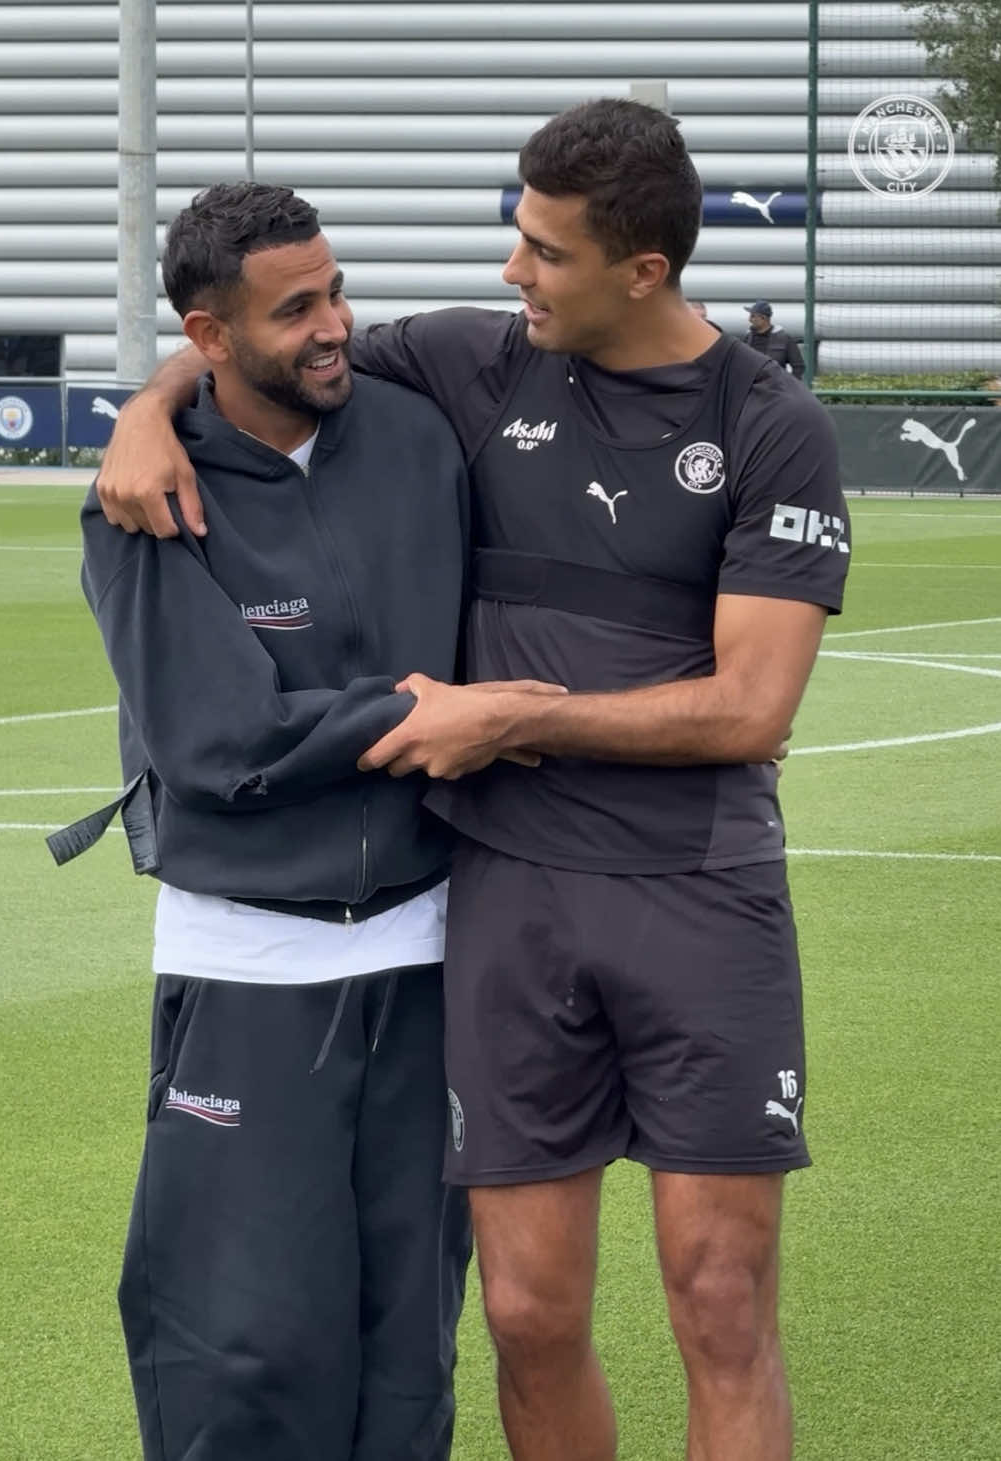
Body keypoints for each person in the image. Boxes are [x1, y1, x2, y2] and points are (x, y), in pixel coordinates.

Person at [97, 100, 851, 1461]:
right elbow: (239, 346)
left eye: (543, 251)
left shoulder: (770, 422)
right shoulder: (470, 364)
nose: (511, 272)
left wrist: (507, 724)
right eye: (516, 237)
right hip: (501, 903)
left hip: (697, 894)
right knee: (520, 1312)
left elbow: (752, 707)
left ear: (644, 270)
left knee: (719, 1298)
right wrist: (143, 412)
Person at [51, 181, 484, 1461]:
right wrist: (424, 711)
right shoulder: (142, 501)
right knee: (242, 1347)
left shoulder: (422, 437)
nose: (334, 324)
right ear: (208, 334)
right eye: (296, 309)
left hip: (428, 956)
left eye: (337, 291)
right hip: (249, 965)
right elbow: (216, 747)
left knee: (409, 1346)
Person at [743, 299, 806, 379]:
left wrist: (788, 386)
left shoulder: (784, 339)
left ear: (763, 318)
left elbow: (799, 367)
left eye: (753, 316)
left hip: (774, 389)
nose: (749, 320)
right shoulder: (748, 338)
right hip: (753, 389)